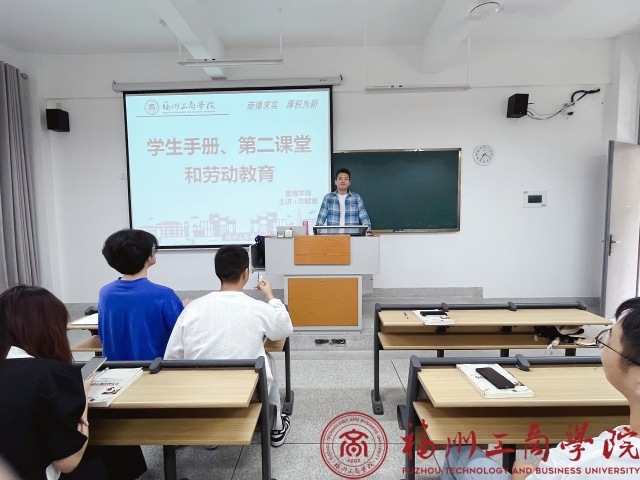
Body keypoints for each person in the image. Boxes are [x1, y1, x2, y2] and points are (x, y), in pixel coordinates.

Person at [440, 297, 640, 480]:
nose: (603, 346)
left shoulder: (587, 460)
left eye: (608, 341)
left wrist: (522, 471)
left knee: (460, 452)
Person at [0, 285, 147, 480]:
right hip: (35, 472)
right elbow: (68, 462)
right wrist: (82, 397)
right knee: (107, 445)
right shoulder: (48, 375)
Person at [164, 245, 294, 447]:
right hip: (247, 391)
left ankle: (211, 432)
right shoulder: (257, 307)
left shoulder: (193, 308)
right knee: (268, 361)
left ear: (218, 272)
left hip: (200, 391)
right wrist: (271, 297)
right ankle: (276, 427)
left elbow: (172, 356)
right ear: (245, 274)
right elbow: (284, 328)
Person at [99, 229, 186, 360]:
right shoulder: (163, 295)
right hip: (154, 367)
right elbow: (181, 333)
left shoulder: (105, 292)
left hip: (113, 367)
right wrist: (186, 311)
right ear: (147, 256)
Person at [315, 168, 372, 235]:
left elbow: (364, 217)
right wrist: (316, 233)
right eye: (340, 179)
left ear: (349, 182)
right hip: (333, 237)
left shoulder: (356, 198)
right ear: (335, 182)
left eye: (346, 179)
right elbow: (321, 219)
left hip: (352, 237)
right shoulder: (328, 198)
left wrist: (368, 231)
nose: (343, 181)